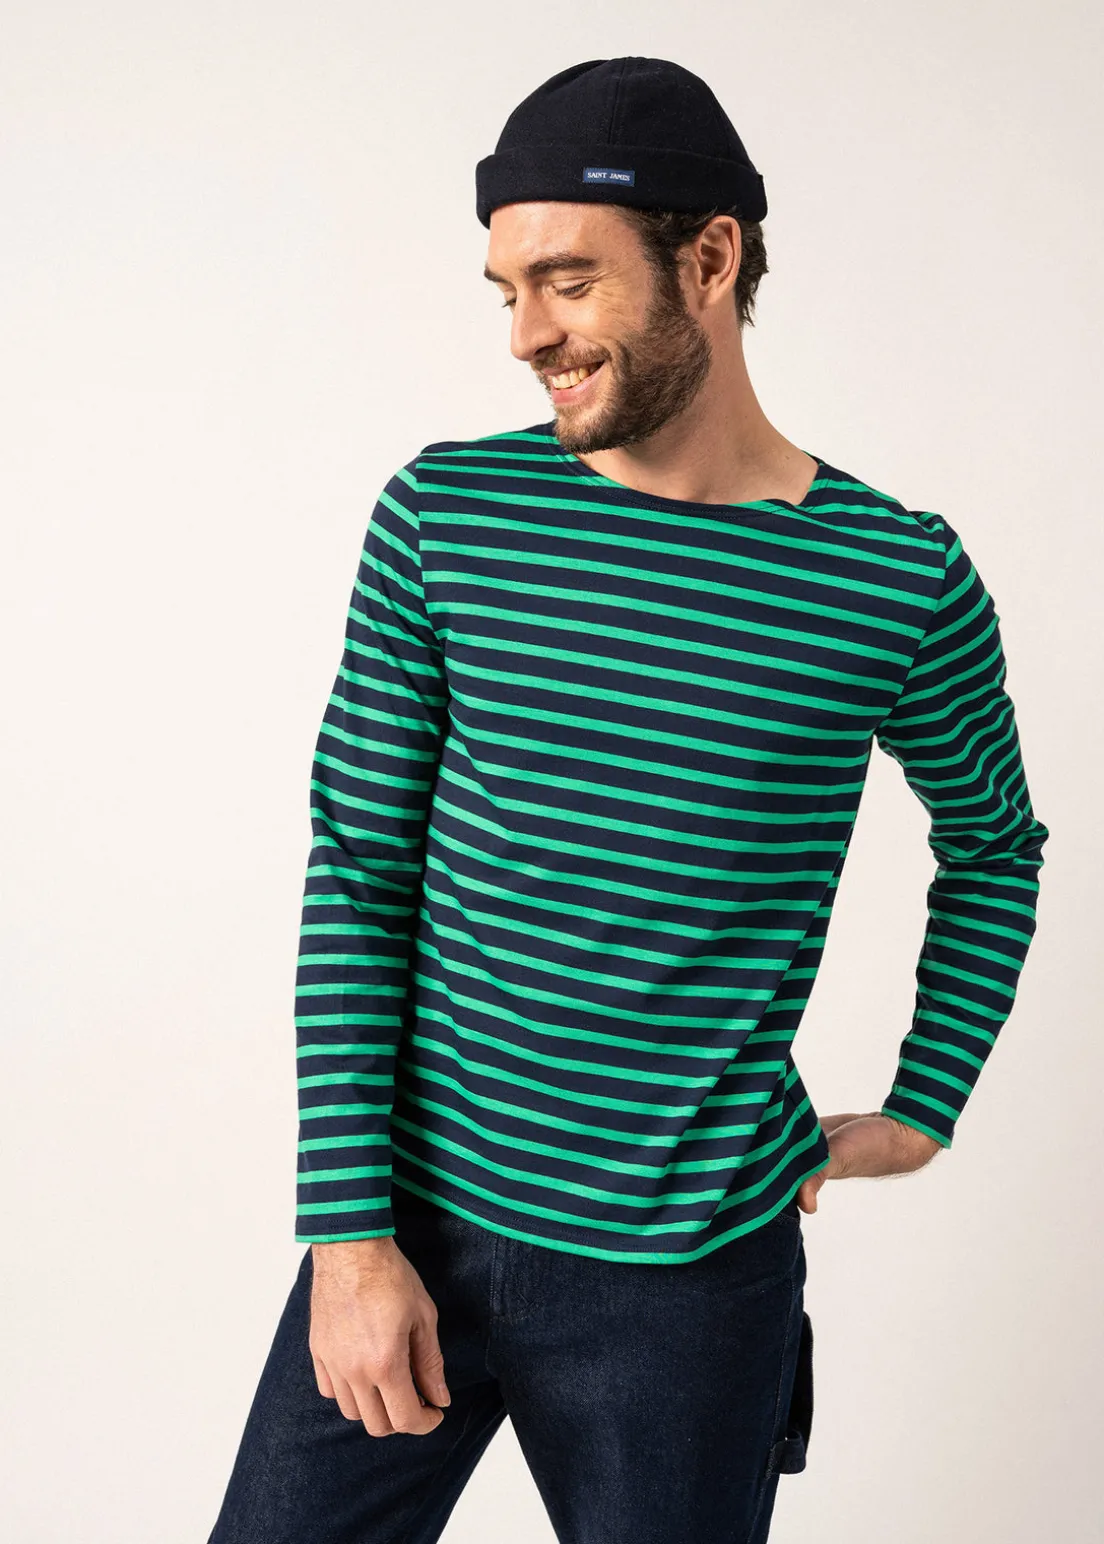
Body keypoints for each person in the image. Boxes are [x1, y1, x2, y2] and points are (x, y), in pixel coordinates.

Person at [207, 56, 1050, 1544]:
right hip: (413, 1236)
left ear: (709, 259)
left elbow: (994, 846)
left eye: (568, 280)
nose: (525, 333)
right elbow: (359, 871)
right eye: (506, 289)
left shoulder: (895, 578)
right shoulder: (448, 516)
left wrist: (926, 1104)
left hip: (690, 1292)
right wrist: (347, 1240)